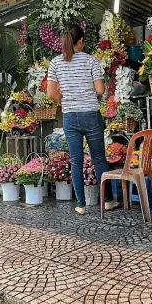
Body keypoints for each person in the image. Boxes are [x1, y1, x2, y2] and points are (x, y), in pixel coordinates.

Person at [47, 24, 110, 215]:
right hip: (91, 113)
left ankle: (81, 205)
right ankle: (106, 201)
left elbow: (50, 93)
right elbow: (99, 90)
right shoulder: (92, 61)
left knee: (76, 161)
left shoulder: (55, 63)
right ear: (80, 41)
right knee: (99, 159)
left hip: (70, 116)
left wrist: (63, 99)